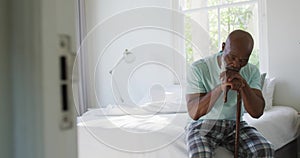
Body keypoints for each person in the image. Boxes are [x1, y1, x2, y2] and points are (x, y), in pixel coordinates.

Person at [185, 30, 274, 157]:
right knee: (201, 154)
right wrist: (220, 88)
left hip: (235, 124)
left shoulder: (251, 71)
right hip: (203, 125)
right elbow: (194, 113)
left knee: (264, 149)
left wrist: (243, 85)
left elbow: (257, 112)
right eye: (232, 57)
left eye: (243, 60)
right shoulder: (199, 68)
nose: (237, 64)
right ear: (223, 47)